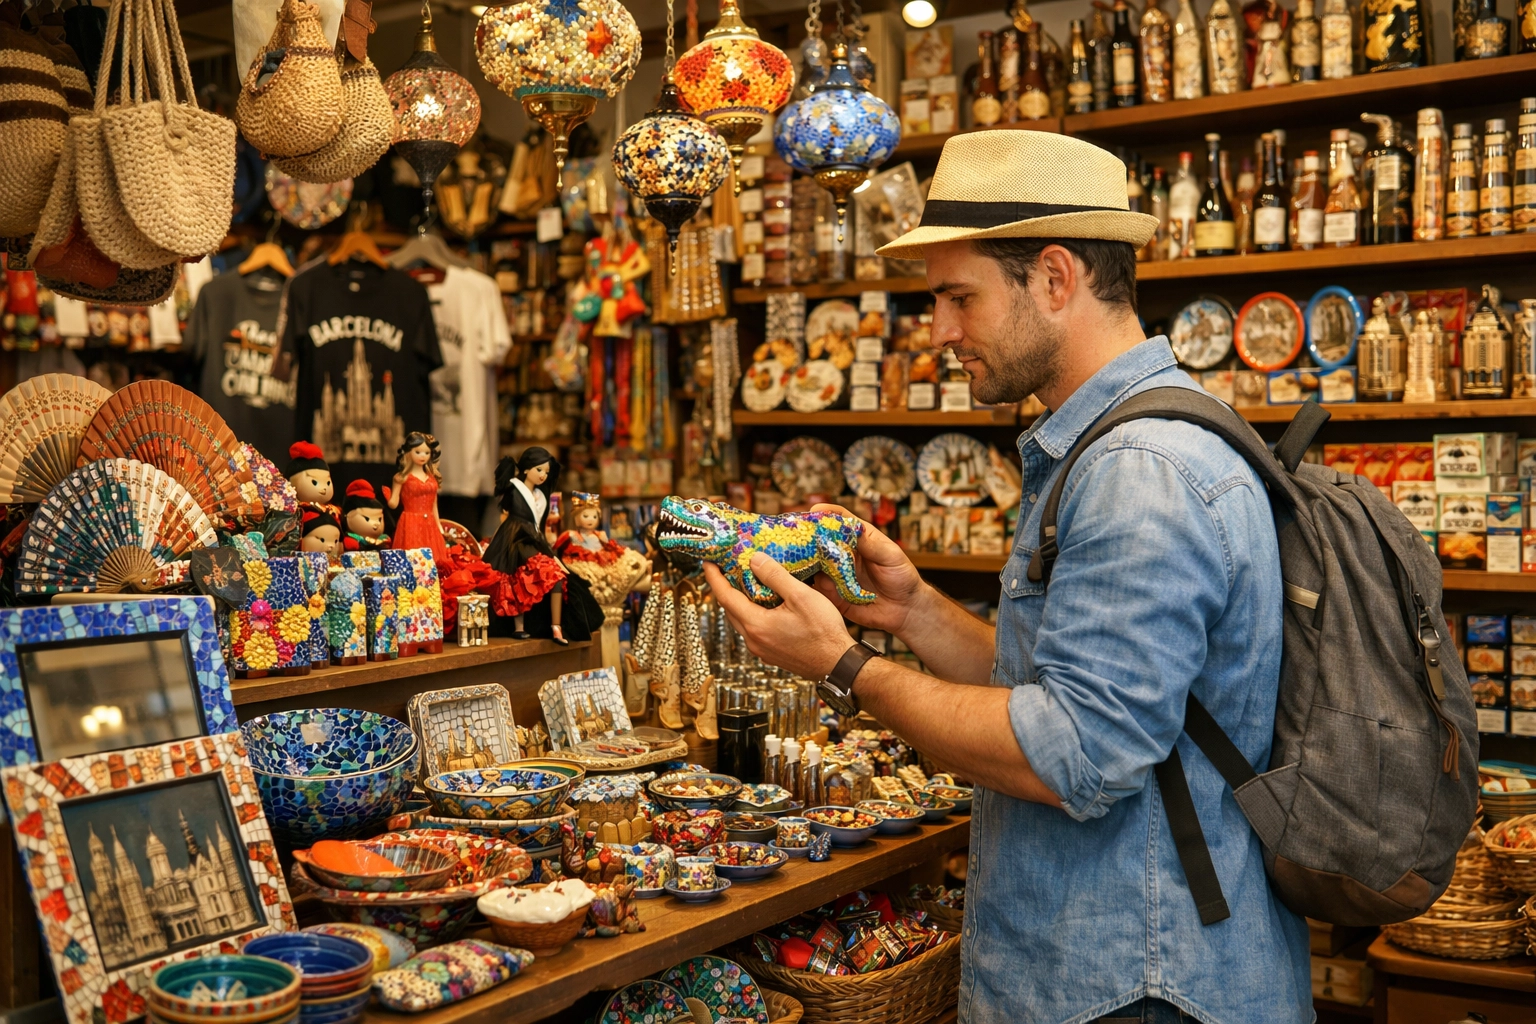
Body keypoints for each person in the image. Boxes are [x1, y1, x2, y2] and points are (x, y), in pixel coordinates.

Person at [705, 131, 1312, 1024]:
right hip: (1126, 965)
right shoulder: (1125, 443)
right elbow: (1069, 684)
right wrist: (912, 612)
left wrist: (844, 665)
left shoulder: (1138, 469)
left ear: (1056, 278)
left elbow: (1073, 752)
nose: (941, 331)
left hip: (1134, 983)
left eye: (960, 297)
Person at [483, 447, 602, 644]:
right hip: (515, 540)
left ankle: (556, 626)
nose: (543, 476)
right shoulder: (515, 489)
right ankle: (518, 626)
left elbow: (537, 525)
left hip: (534, 539)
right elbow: (518, 520)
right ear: (526, 469)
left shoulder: (541, 495)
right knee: (517, 579)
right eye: (539, 470)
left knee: (555, 577)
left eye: (546, 472)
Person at [388, 431, 449, 565]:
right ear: (409, 452)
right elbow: (394, 503)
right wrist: (389, 497)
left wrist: (438, 524)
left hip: (429, 522)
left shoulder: (431, 478)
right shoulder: (401, 478)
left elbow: (434, 504)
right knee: (412, 559)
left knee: (432, 560)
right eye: (418, 452)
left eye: (426, 453)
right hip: (410, 522)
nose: (423, 456)